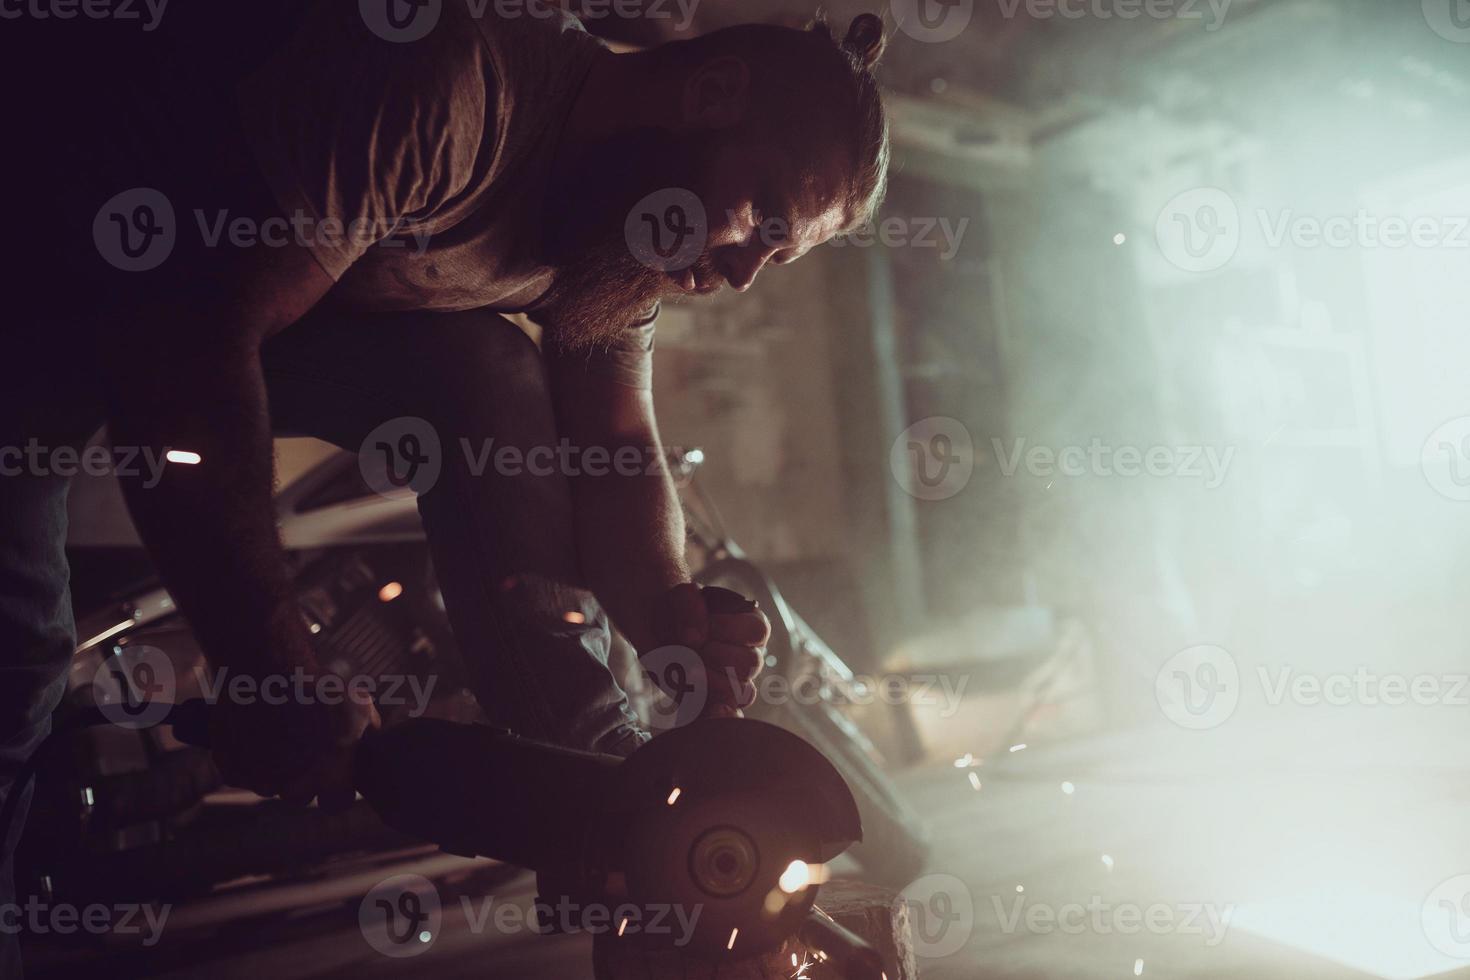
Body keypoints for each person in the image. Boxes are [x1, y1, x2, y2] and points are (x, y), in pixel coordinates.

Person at [2, 1, 889, 969]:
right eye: (763, 215)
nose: (746, 269)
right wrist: (264, 655)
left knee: (483, 370)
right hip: (43, 302)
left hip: (189, 319)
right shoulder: (450, 83)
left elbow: (618, 448)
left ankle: (617, 789)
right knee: (20, 672)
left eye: (779, 252)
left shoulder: (617, 248)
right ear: (710, 93)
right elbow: (187, 345)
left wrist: (669, 620)